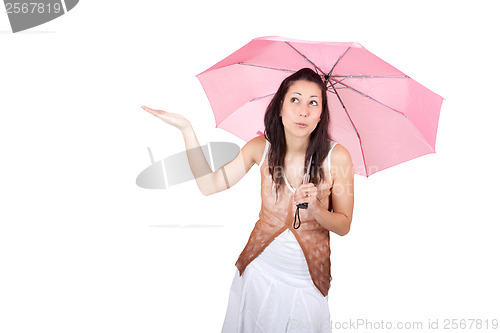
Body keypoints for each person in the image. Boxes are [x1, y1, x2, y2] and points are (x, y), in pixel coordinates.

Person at [141, 68, 354, 332]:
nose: (304, 111)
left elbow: (344, 225)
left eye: (314, 103)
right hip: (258, 275)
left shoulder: (337, 157)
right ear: (279, 107)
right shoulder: (260, 148)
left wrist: (317, 209)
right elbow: (210, 185)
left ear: (322, 114)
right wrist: (187, 130)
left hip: (307, 283)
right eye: (295, 100)